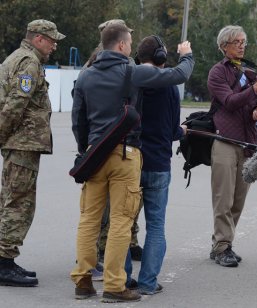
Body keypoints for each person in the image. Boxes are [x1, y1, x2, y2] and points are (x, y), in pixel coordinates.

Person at [70, 23, 194, 302]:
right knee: (121, 222)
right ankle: (115, 285)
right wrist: (187, 55)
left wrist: (86, 151)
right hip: (125, 154)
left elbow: (78, 119)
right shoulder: (132, 72)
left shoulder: (86, 75)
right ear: (122, 46)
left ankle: (82, 280)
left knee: (89, 220)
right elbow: (178, 75)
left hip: (94, 154)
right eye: (127, 44)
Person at [0, 19, 65, 287]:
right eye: (51, 40)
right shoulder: (29, 62)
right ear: (38, 38)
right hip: (22, 144)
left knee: (15, 201)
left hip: (21, 144)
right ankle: (3, 262)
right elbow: (16, 103)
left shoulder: (19, 57)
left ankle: (6, 259)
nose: (54, 45)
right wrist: (3, 136)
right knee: (18, 204)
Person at [124, 35, 187, 295]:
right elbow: (173, 130)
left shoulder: (130, 81)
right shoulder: (170, 87)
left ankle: (123, 279)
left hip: (130, 161)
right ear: (161, 57)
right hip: (159, 162)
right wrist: (182, 131)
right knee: (156, 226)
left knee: (124, 225)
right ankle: (149, 282)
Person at [207, 25, 257, 267]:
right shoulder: (218, 72)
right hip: (225, 140)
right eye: (236, 42)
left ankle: (223, 243)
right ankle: (222, 245)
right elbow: (230, 102)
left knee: (238, 199)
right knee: (223, 198)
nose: (242, 46)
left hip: (248, 142)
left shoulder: (249, 71)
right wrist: (255, 88)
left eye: (244, 41)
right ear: (224, 46)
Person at [83, 19, 143, 267]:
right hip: (118, 146)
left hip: (97, 145)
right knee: (111, 210)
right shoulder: (109, 63)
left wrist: (85, 147)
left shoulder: (94, 65)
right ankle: (103, 257)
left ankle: (127, 243)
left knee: (105, 210)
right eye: (128, 36)